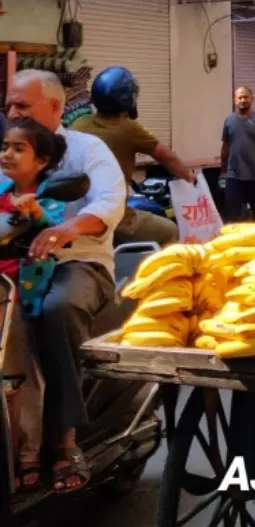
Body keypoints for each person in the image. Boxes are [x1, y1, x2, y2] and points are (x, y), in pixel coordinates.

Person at [5, 69, 126, 492]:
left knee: (57, 309)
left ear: (55, 108)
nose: (13, 113)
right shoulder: (7, 152)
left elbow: (110, 203)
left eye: (23, 105)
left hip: (79, 263)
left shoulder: (88, 150)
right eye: (10, 106)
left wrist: (68, 230)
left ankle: (64, 441)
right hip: (12, 267)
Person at [0, 119, 68, 490]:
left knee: (19, 377)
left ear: (41, 161)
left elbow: (57, 229)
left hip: (19, 296)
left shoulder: (50, 195)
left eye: (18, 148)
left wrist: (36, 214)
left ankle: (27, 456)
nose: (7, 154)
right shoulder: (0, 190)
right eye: (5, 146)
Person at [70, 66, 195, 246]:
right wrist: (188, 177)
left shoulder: (80, 123)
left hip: (78, 211)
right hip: (113, 216)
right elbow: (167, 157)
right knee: (171, 230)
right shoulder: (128, 128)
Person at [221, 86, 255, 223]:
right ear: (235, 100)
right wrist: (223, 170)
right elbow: (225, 146)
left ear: (252, 99)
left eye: (246, 97)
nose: (243, 100)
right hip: (234, 176)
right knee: (232, 215)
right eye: (240, 97)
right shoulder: (229, 121)